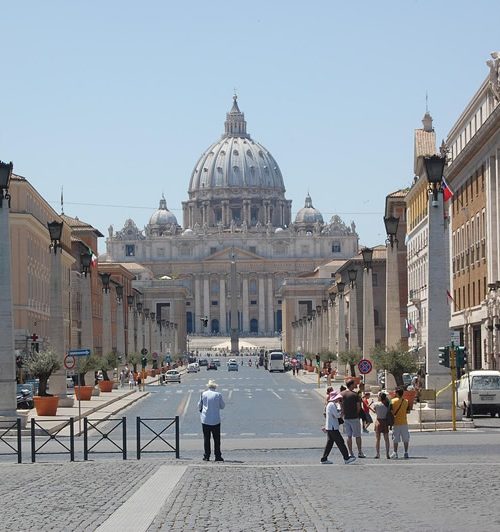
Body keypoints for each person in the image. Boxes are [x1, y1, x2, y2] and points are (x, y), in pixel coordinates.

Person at [321, 390, 356, 465]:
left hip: (331, 427)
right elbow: (337, 415)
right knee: (340, 442)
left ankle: (324, 458)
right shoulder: (331, 405)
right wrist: (342, 412)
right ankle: (346, 458)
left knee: (330, 443)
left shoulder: (331, 404)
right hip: (333, 427)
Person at [198, 379, 225, 462]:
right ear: (215, 387)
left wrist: (201, 410)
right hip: (216, 420)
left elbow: (199, 405)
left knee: (206, 439)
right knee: (217, 439)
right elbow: (222, 406)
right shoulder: (218, 395)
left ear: (208, 386)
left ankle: (207, 456)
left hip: (205, 419)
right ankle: (217, 456)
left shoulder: (203, 394)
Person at [341, 380, 366, 458]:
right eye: (354, 384)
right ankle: (360, 452)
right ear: (351, 385)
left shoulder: (342, 394)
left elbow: (340, 406)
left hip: (346, 418)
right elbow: (358, 407)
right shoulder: (355, 395)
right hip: (354, 417)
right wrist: (357, 414)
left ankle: (350, 453)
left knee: (349, 436)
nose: (355, 385)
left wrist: (343, 413)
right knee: (358, 436)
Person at [390, 387, 410, 459]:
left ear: (397, 393)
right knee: (405, 438)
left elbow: (390, 411)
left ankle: (395, 452)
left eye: (395, 392)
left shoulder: (392, 401)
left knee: (395, 439)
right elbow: (408, 411)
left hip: (396, 423)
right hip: (404, 422)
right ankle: (406, 452)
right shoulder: (406, 401)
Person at [373, 392, 391, 459]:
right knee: (386, 439)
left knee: (378, 439)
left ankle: (378, 454)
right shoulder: (387, 405)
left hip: (378, 421)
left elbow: (375, 411)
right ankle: (387, 454)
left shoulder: (376, 404)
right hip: (385, 421)